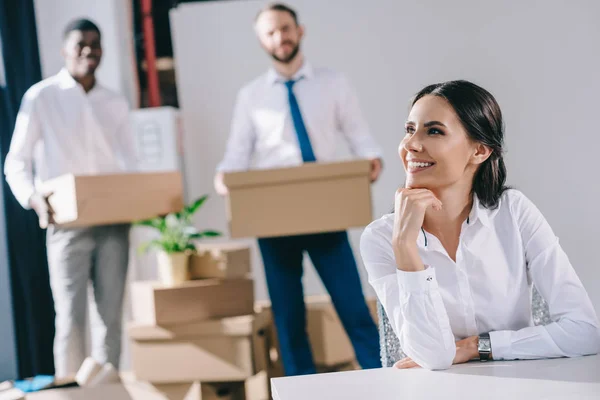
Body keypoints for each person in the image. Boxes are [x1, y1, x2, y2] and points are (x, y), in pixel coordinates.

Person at [360, 80, 600, 370]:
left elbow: (585, 331)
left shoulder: (513, 212)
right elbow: (434, 357)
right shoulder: (381, 238)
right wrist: (404, 247)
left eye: (434, 131)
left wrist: (478, 346)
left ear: (480, 151)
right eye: (410, 129)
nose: (411, 144)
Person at [214, 3, 382, 375]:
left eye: (286, 29)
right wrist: (224, 177)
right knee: (289, 320)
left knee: (353, 308)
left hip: (325, 211)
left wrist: (372, 158)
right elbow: (236, 154)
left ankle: (381, 381)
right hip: (274, 220)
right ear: (261, 41)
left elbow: (359, 135)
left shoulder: (333, 83)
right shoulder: (251, 96)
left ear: (300, 30)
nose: (280, 37)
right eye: (271, 32)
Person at [4, 18, 136, 377]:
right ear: (65, 50)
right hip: (66, 223)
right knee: (70, 319)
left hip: (113, 222)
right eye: (80, 44)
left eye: (95, 44)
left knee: (110, 317)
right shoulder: (42, 96)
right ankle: (69, 391)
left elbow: (131, 162)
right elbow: (16, 162)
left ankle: (106, 390)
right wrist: (33, 198)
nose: (88, 51)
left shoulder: (114, 102)